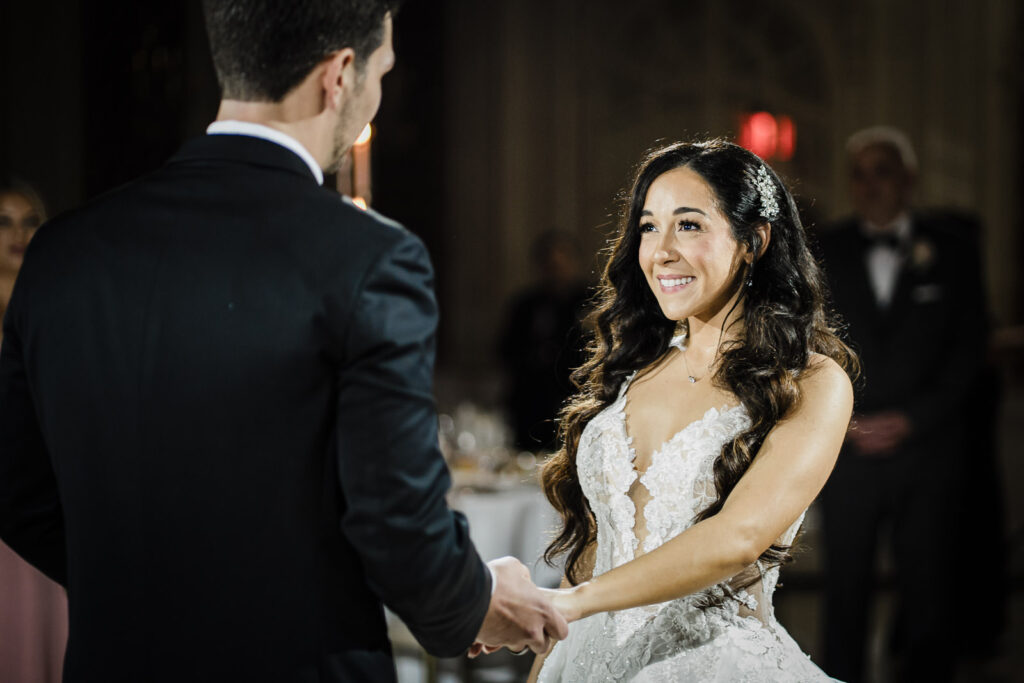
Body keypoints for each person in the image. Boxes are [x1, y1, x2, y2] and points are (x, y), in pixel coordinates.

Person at [0, 2, 566, 681]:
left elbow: (17, 488)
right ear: (340, 75)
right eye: (381, 73)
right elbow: (397, 527)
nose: (377, 97)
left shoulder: (65, 250)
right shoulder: (371, 258)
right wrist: (477, 595)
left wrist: (141, 580)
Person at [508, 139, 858, 681]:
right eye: (649, 227)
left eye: (689, 225)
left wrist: (571, 607)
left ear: (753, 241)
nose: (661, 251)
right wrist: (545, 660)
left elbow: (737, 537)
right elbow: (593, 547)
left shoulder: (811, 382)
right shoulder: (632, 370)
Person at [815, 126, 993, 682]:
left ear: (908, 180)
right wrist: (842, 420)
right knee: (843, 595)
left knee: (929, 596)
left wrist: (914, 419)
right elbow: (806, 347)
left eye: (882, 171)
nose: (870, 185)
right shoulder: (824, 250)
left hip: (929, 452)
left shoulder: (954, 250)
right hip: (846, 452)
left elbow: (970, 349)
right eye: (859, 174)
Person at [0, 176, 68, 683]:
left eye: (30, 220)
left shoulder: (61, 319)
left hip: (51, 519)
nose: (18, 232)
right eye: (3, 221)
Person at [499, 230, 590, 451]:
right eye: (550, 264)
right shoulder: (526, 304)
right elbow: (505, 349)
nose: (556, 269)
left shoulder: (589, 300)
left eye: (562, 262)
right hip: (531, 402)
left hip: (576, 397)